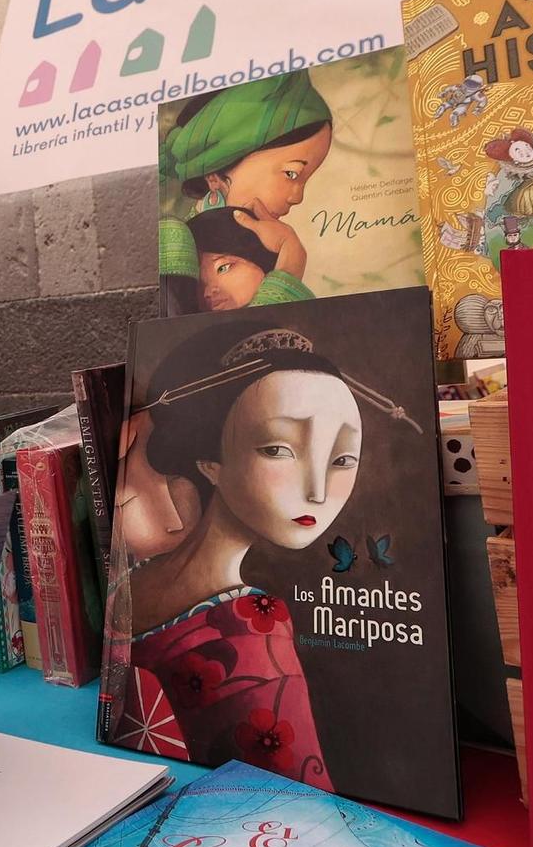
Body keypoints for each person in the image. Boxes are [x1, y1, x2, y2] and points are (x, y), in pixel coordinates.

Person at [111, 324, 420, 786]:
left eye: (341, 460)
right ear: (209, 461)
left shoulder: (130, 579)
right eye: (279, 449)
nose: (316, 492)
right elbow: (299, 808)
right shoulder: (251, 629)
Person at [155, 73, 332, 315]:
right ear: (215, 174)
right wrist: (291, 259)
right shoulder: (173, 242)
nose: (297, 197)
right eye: (291, 174)